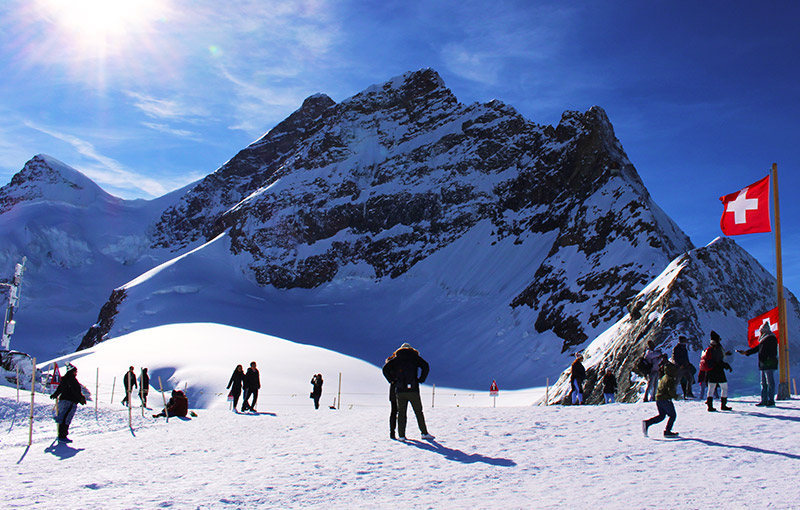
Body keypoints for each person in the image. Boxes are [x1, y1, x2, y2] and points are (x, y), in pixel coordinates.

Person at [382, 343, 434, 440]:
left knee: (401, 413)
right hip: (413, 389)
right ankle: (424, 433)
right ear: (411, 349)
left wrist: (392, 380)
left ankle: (401, 435)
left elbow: (385, 369)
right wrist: (421, 379)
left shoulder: (396, 359)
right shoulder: (415, 357)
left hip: (400, 390)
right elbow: (425, 366)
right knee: (418, 412)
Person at [736, 322, 778, 407]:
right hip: (763, 364)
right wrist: (746, 352)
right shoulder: (764, 340)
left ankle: (770, 400)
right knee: (763, 383)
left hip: (768, 364)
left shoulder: (771, 338)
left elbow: (773, 352)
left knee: (769, 383)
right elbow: (757, 349)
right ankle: (764, 400)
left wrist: (769, 360)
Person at [642, 361, 680, 437]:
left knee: (662, 416)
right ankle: (667, 431)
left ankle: (647, 423)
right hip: (665, 399)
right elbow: (670, 391)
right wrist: (676, 397)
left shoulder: (664, 377)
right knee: (673, 415)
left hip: (659, 399)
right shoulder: (670, 379)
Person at [50, 365, 86, 442]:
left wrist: (55, 394)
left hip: (63, 400)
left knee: (63, 417)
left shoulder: (65, 379)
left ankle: (61, 434)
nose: (76, 373)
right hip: (70, 401)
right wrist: (80, 398)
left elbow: (60, 388)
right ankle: (62, 436)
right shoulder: (72, 380)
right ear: (72, 372)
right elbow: (75, 391)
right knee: (66, 418)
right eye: (75, 371)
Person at [704, 331, 733, 411]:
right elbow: (718, 361)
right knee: (724, 387)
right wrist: (726, 366)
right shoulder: (717, 348)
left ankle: (710, 406)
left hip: (710, 371)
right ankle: (723, 405)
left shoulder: (710, 348)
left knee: (711, 388)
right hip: (718, 371)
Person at [382, 352, 399, 439]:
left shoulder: (390, 364)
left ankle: (392, 432)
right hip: (401, 389)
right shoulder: (399, 363)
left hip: (393, 389)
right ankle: (401, 433)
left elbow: (385, 371)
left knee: (393, 411)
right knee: (401, 412)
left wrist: (391, 381)